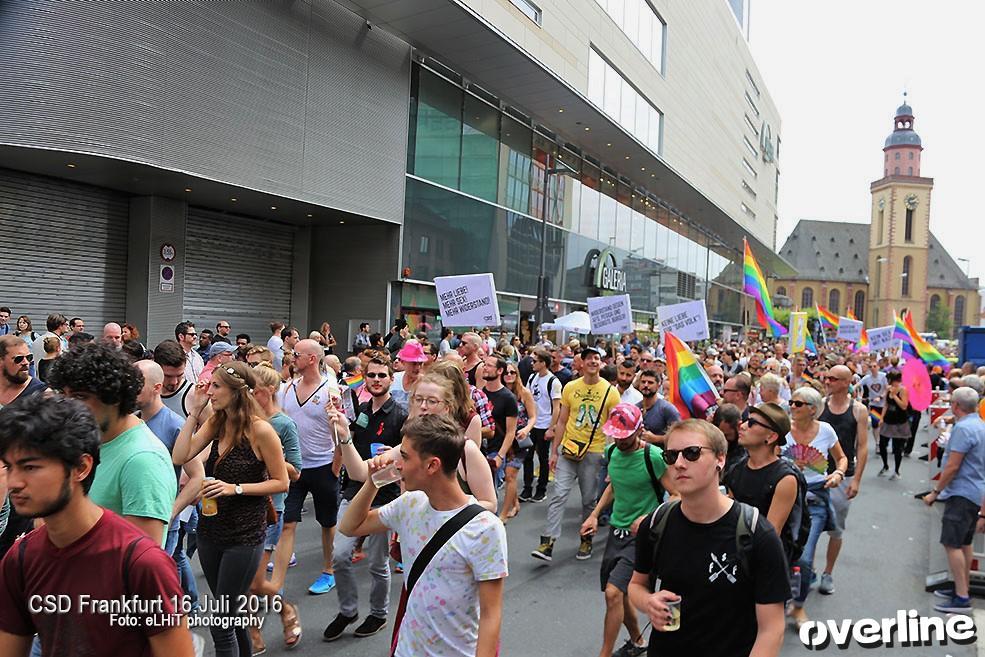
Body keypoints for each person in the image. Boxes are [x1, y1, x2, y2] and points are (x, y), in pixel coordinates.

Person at [0, 394, 194, 657]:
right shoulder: (20, 559)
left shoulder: (142, 564)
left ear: (81, 467)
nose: (14, 482)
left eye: (30, 467)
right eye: (8, 467)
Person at [338, 413, 508, 657]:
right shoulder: (410, 504)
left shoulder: (485, 528)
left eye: (404, 457)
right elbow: (350, 527)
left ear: (432, 465)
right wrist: (372, 483)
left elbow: (491, 615)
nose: (397, 464)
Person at [628, 419, 789, 657]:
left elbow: (772, 628)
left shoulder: (756, 534)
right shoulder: (656, 523)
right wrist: (648, 602)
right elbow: (636, 585)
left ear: (720, 459)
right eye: (671, 456)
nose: (679, 464)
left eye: (692, 453)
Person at [172, 362, 289, 657]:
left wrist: (234, 488)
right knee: (233, 615)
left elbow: (282, 482)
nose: (209, 392)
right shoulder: (217, 422)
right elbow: (180, 454)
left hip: (245, 536)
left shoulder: (262, 431)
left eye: (216, 386)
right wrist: (195, 414)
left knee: (221, 623)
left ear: (237, 392)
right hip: (211, 531)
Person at [47, 342, 177, 546]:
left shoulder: (143, 459)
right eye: (63, 395)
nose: (68, 406)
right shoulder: (87, 439)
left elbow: (142, 560)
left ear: (114, 396)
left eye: (80, 397)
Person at [323, 353, 407, 641]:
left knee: (376, 562)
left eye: (382, 375)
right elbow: (348, 446)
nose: (376, 380)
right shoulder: (359, 410)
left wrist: (393, 461)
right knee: (340, 555)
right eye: (371, 375)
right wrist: (337, 425)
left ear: (391, 379)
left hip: (385, 497)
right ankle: (348, 610)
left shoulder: (401, 415)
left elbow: (406, 460)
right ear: (365, 377)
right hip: (354, 491)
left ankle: (378, 613)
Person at [581, 404, 675, 657]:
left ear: (639, 431)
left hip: (643, 537)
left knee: (613, 593)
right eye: (616, 436)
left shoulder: (653, 456)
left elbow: (676, 495)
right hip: (616, 532)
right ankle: (638, 641)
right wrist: (594, 515)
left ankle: (604, 653)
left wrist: (648, 518)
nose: (620, 441)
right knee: (619, 596)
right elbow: (614, 487)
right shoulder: (612, 452)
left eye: (625, 436)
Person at [532, 348, 619, 562]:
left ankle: (586, 538)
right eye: (589, 358)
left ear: (601, 364)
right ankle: (548, 542)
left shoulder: (610, 392)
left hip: (594, 452)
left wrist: (610, 460)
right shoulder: (570, 387)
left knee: (589, 500)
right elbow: (562, 420)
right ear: (581, 363)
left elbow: (613, 428)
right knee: (559, 494)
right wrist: (555, 451)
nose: (593, 361)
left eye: (597, 359)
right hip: (568, 449)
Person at [134, 359, 204, 612]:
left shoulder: (175, 424)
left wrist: (172, 511)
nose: (131, 388)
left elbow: (197, 476)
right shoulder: (132, 420)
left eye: (137, 384)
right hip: (136, 520)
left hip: (164, 523)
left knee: (156, 587)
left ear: (156, 387)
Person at [247, 362, 303, 652]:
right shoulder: (243, 420)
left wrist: (270, 459)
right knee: (242, 580)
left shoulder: (283, 424)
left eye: (251, 390)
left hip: (270, 508)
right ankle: (253, 631)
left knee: (255, 581)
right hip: (240, 503)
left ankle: (285, 609)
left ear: (267, 392)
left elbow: (296, 471)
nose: (247, 395)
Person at [279, 338, 342, 595]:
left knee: (327, 523)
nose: (292, 358)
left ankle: (329, 570)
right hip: (294, 468)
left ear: (312, 359)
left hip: (323, 466)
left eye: (297, 354)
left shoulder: (331, 390)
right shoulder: (287, 388)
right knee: (287, 522)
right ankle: (277, 582)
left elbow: (341, 431)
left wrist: (336, 467)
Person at [785, 386, 848, 628]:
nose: (792, 407)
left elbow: (841, 457)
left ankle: (798, 605)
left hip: (815, 497)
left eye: (798, 404)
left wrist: (839, 473)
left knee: (805, 556)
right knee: (783, 551)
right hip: (785, 494)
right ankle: (789, 590)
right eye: (791, 402)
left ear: (813, 409)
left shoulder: (826, 430)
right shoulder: (782, 430)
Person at [922, 387, 985, 614]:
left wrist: (936, 492)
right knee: (964, 542)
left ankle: (961, 596)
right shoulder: (979, 425)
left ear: (956, 405)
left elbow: (952, 465)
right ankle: (962, 586)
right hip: (974, 492)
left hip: (962, 492)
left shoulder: (964, 428)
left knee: (952, 543)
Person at [817, 364, 869, 595]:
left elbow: (863, 446)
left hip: (843, 477)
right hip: (815, 475)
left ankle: (827, 573)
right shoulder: (818, 405)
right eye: (827, 378)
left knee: (836, 529)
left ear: (847, 382)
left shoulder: (858, 410)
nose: (828, 382)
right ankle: (804, 570)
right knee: (806, 526)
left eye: (834, 379)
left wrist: (856, 480)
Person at [725, 403, 798, 561]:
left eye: (751, 423)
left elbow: (771, 534)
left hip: (763, 561)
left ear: (771, 437)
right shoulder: (736, 469)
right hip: (734, 555)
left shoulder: (785, 479)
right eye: (745, 421)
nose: (743, 426)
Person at [521, 348, 562, 503]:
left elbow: (556, 406)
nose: (532, 364)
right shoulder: (532, 378)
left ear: (543, 363)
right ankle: (527, 487)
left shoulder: (553, 381)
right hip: (532, 423)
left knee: (543, 458)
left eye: (535, 361)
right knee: (527, 456)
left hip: (545, 423)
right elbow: (527, 397)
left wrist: (552, 427)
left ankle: (541, 488)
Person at [501, 360, 536, 522]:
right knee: (509, 476)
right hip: (503, 439)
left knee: (510, 475)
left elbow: (533, 417)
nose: (509, 375)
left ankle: (505, 512)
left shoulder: (524, 393)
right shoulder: (499, 392)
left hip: (520, 440)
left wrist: (526, 429)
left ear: (517, 374)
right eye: (506, 372)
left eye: (512, 372)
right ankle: (515, 504)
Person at [480, 354, 518, 493]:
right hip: (479, 450)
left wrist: (500, 457)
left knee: (489, 493)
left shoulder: (508, 398)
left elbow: (510, 432)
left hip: (495, 451)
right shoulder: (480, 393)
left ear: (500, 371)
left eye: (489, 365)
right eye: (484, 364)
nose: (485, 368)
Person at [878, 370, 909, 480]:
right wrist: (881, 418)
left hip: (899, 422)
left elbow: (904, 406)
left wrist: (895, 395)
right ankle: (885, 465)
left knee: (897, 447)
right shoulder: (888, 389)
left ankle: (896, 470)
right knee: (882, 444)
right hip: (888, 421)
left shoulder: (903, 390)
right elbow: (886, 404)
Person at [637, 370, 681, 445]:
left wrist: (656, 438)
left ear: (658, 385)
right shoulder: (635, 408)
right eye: (643, 382)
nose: (646, 385)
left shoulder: (667, 409)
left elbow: (679, 436)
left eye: (650, 382)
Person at [391, 341, 426, 410]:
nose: (417, 368)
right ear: (403, 362)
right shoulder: (393, 379)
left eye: (420, 363)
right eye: (414, 363)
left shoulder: (426, 383)